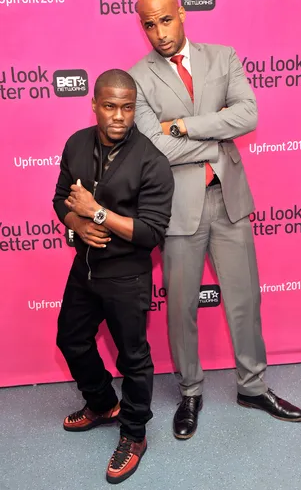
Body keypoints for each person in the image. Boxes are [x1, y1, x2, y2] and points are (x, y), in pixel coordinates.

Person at [129, 0, 301, 440]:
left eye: (165, 19)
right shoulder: (138, 77)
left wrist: (185, 125)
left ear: (182, 13)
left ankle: (252, 385)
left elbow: (247, 115)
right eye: (149, 24)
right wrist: (215, 138)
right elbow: (154, 146)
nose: (159, 32)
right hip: (177, 211)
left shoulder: (223, 56)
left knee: (246, 300)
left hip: (229, 199)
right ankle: (190, 391)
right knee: (181, 308)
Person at [53, 69, 174, 483]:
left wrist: (97, 212)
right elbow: (59, 198)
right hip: (84, 268)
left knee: (133, 359)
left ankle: (135, 433)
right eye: (110, 106)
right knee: (70, 339)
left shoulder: (153, 162)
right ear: (94, 105)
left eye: (127, 107)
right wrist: (77, 224)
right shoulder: (75, 144)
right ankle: (103, 402)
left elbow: (151, 232)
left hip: (127, 277)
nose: (119, 116)